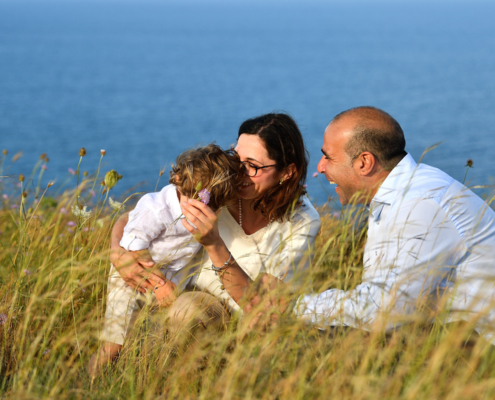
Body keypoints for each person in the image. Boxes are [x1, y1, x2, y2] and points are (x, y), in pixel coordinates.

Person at [98, 113, 321, 367]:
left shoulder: (301, 222)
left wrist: (214, 244)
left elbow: (264, 312)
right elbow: (137, 216)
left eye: (253, 166)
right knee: (184, 311)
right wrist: (118, 251)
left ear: (287, 172)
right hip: (187, 303)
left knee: (186, 312)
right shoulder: (220, 191)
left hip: (246, 327)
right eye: (237, 158)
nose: (239, 172)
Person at [297, 106, 495, 342]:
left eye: (328, 156)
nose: (320, 167)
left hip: (482, 352)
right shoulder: (401, 194)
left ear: (364, 162)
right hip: (459, 337)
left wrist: (295, 306)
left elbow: (383, 311)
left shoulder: (417, 205)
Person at [89, 144, 240, 374]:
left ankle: (129, 379)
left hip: (168, 285)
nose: (201, 212)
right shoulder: (155, 208)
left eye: (211, 206)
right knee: (114, 343)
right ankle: (88, 381)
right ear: (177, 180)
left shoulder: (208, 203)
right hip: (132, 280)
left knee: (148, 340)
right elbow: (133, 245)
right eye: (195, 202)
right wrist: (159, 284)